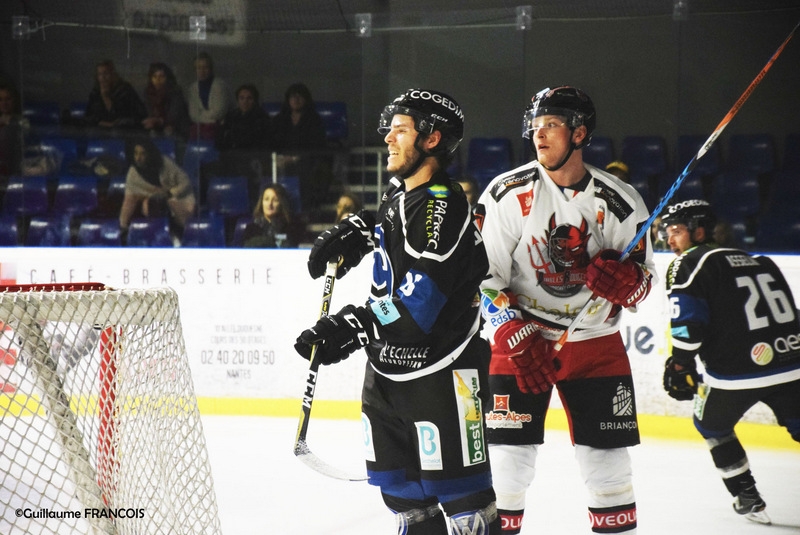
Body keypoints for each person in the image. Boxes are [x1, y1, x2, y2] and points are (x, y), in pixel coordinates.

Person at [294, 89, 502, 534]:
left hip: (444, 378)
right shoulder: (400, 192)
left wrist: (356, 325)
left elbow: (419, 306)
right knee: (408, 508)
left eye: (401, 130)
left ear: (432, 139)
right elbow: (397, 223)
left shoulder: (443, 204)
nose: (388, 138)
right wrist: (364, 229)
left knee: (468, 514)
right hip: (387, 378)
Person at [475, 86, 655, 535]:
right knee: (506, 465)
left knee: (609, 468)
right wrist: (508, 330)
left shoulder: (619, 200)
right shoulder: (508, 193)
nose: (539, 135)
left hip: (595, 341)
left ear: (579, 133)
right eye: (535, 127)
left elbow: (644, 282)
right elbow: (483, 277)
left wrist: (627, 283)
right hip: (522, 340)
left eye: (551, 125)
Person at [659, 199, 800, 525]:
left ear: (699, 231)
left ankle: (746, 495)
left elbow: (688, 325)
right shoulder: (758, 260)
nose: (670, 239)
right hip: (792, 363)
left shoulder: (688, 263)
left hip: (735, 373)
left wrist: (680, 364)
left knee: (710, 424)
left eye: (676, 231)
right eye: (667, 232)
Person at [119, 137, 196, 238]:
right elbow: (129, 201)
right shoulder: (133, 173)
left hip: (179, 202)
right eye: (136, 153)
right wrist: (123, 226)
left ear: (149, 153)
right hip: (153, 208)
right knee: (150, 204)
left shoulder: (165, 163)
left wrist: (170, 193)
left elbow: (185, 182)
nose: (138, 158)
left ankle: (181, 236)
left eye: (142, 154)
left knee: (172, 207)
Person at [272, 83, 329, 211]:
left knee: (306, 171)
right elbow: (273, 143)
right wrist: (281, 158)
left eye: (300, 96)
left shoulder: (314, 120)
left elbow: (316, 145)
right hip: (282, 161)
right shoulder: (279, 119)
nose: (296, 99)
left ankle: (304, 211)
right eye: (293, 96)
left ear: (306, 99)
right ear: (288, 99)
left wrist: (294, 158)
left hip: (306, 161)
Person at [217, 84, 273, 199]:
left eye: (249, 98)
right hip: (231, 159)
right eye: (241, 98)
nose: (245, 102)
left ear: (254, 100)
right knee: (206, 170)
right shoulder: (231, 116)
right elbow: (220, 141)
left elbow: (261, 145)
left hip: (252, 161)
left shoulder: (262, 118)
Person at [84, 60, 147, 131]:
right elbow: (89, 116)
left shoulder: (125, 91)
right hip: (100, 131)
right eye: (100, 74)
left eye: (106, 73)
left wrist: (106, 97)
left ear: (113, 75)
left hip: (125, 131)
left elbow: (119, 117)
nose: (103, 77)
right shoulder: (95, 93)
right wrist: (101, 123)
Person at [141, 62, 190, 140]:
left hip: (177, 129)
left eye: (161, 76)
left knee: (169, 133)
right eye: (154, 76)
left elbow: (175, 115)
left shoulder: (175, 92)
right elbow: (148, 113)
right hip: (156, 129)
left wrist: (159, 121)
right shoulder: (147, 93)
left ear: (167, 78)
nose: (158, 80)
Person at [187, 52, 229, 141]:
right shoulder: (192, 88)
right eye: (199, 68)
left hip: (219, 129)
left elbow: (219, 113)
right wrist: (211, 119)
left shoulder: (220, 86)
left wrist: (201, 115)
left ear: (211, 69)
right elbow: (193, 115)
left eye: (205, 67)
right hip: (199, 130)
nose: (202, 71)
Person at [241, 183, 299, 248]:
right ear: (261, 202)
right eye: (266, 199)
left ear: (281, 203)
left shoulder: (291, 228)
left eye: (275, 200)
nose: (270, 204)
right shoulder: (251, 229)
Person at [0, 83, 24, 180]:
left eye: (8, 99)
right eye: (0, 100)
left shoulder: (22, 122)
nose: (4, 103)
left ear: (14, 101)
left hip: (14, 171)